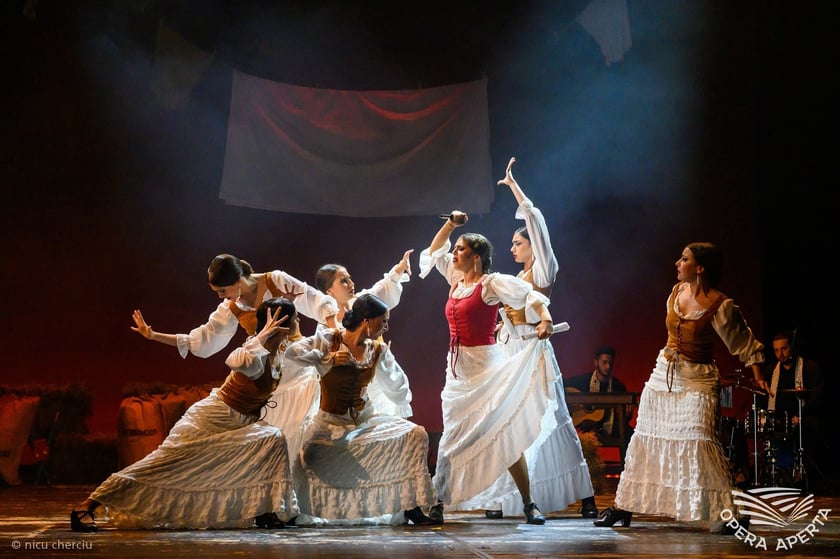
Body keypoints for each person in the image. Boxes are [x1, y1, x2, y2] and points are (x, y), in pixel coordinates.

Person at [70, 298, 299, 531]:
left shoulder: (279, 351)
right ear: (283, 323)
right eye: (295, 318)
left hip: (241, 423)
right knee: (162, 465)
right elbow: (234, 359)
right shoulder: (255, 353)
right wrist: (263, 334)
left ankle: (265, 511)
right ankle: (87, 506)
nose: (298, 321)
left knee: (272, 440)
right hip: (211, 418)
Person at [594, 242, 765, 534]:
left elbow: (742, 341)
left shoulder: (720, 305)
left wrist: (759, 375)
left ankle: (729, 513)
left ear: (700, 268)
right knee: (646, 439)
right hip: (665, 374)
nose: (677, 263)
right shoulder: (676, 292)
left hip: (698, 378)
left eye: (684, 259)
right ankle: (623, 505)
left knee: (699, 442)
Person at [418, 210, 561, 526]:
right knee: (451, 435)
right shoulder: (456, 280)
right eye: (456, 249)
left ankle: (529, 503)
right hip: (457, 371)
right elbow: (434, 251)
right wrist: (451, 225)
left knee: (502, 434)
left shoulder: (490, 284)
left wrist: (546, 320)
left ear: (477, 256)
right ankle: (438, 503)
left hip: (486, 366)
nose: (455, 254)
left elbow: (529, 295)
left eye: (461, 249)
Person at [485, 156, 598, 520]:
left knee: (555, 418)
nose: (512, 249)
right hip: (513, 354)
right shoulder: (517, 279)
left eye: (517, 243)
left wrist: (514, 188)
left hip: (535, 353)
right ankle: (513, 498)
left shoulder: (544, 270)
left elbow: (536, 222)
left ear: (532, 245)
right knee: (514, 423)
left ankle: (586, 496)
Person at [282, 293, 436, 525]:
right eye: (383, 321)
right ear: (367, 320)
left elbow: (398, 385)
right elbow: (291, 353)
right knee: (310, 457)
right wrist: (327, 358)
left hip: (365, 421)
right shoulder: (329, 339)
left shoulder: (377, 350)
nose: (386, 327)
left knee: (416, 434)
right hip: (330, 423)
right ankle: (307, 508)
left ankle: (410, 506)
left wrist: (400, 406)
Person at [262, 250, 416, 456]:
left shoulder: (363, 303)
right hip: (340, 395)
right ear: (329, 291)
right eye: (344, 281)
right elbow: (300, 352)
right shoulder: (327, 328)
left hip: (373, 385)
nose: (351, 283)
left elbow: (383, 288)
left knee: (379, 445)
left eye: (350, 278)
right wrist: (326, 359)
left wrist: (398, 269)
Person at [757, 330, 824, 486]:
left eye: (784, 349)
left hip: (803, 417)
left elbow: (817, 398)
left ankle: (804, 475)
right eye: (776, 350)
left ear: (792, 347)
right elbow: (764, 398)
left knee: (810, 426)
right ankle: (777, 475)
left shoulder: (809, 367)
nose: (780, 354)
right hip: (778, 419)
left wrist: (800, 415)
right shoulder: (771, 371)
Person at [564, 345, 633, 446]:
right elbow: (560, 385)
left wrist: (627, 414)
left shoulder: (618, 386)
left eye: (610, 363)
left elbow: (624, 419)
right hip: (585, 429)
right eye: (604, 362)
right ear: (596, 362)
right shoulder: (584, 381)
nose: (608, 366)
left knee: (631, 436)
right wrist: (579, 396)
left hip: (609, 429)